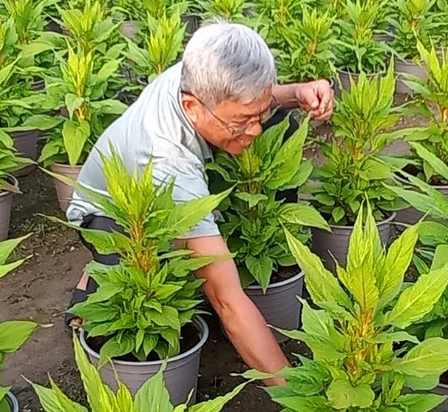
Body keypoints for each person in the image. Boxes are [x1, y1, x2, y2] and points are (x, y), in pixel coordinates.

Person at [65, 22, 334, 385]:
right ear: (192, 106)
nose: (255, 130)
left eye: (259, 114)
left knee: (282, 120)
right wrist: (294, 391)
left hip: (154, 178)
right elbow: (227, 300)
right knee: (146, 280)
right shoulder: (167, 162)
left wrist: (298, 92)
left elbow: (255, 101)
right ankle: (93, 279)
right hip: (111, 212)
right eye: (242, 122)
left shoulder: (201, 70)